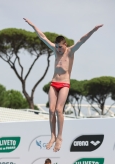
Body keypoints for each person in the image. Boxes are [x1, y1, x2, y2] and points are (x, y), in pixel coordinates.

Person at [23, 18, 103, 152]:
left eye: (60, 47)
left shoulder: (71, 51)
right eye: (57, 47)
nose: (58, 49)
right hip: (54, 83)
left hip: (65, 84)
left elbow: (82, 40)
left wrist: (93, 30)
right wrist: (33, 25)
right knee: (51, 110)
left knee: (59, 110)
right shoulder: (55, 50)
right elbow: (42, 37)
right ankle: (52, 136)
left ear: (65, 44)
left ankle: (60, 137)